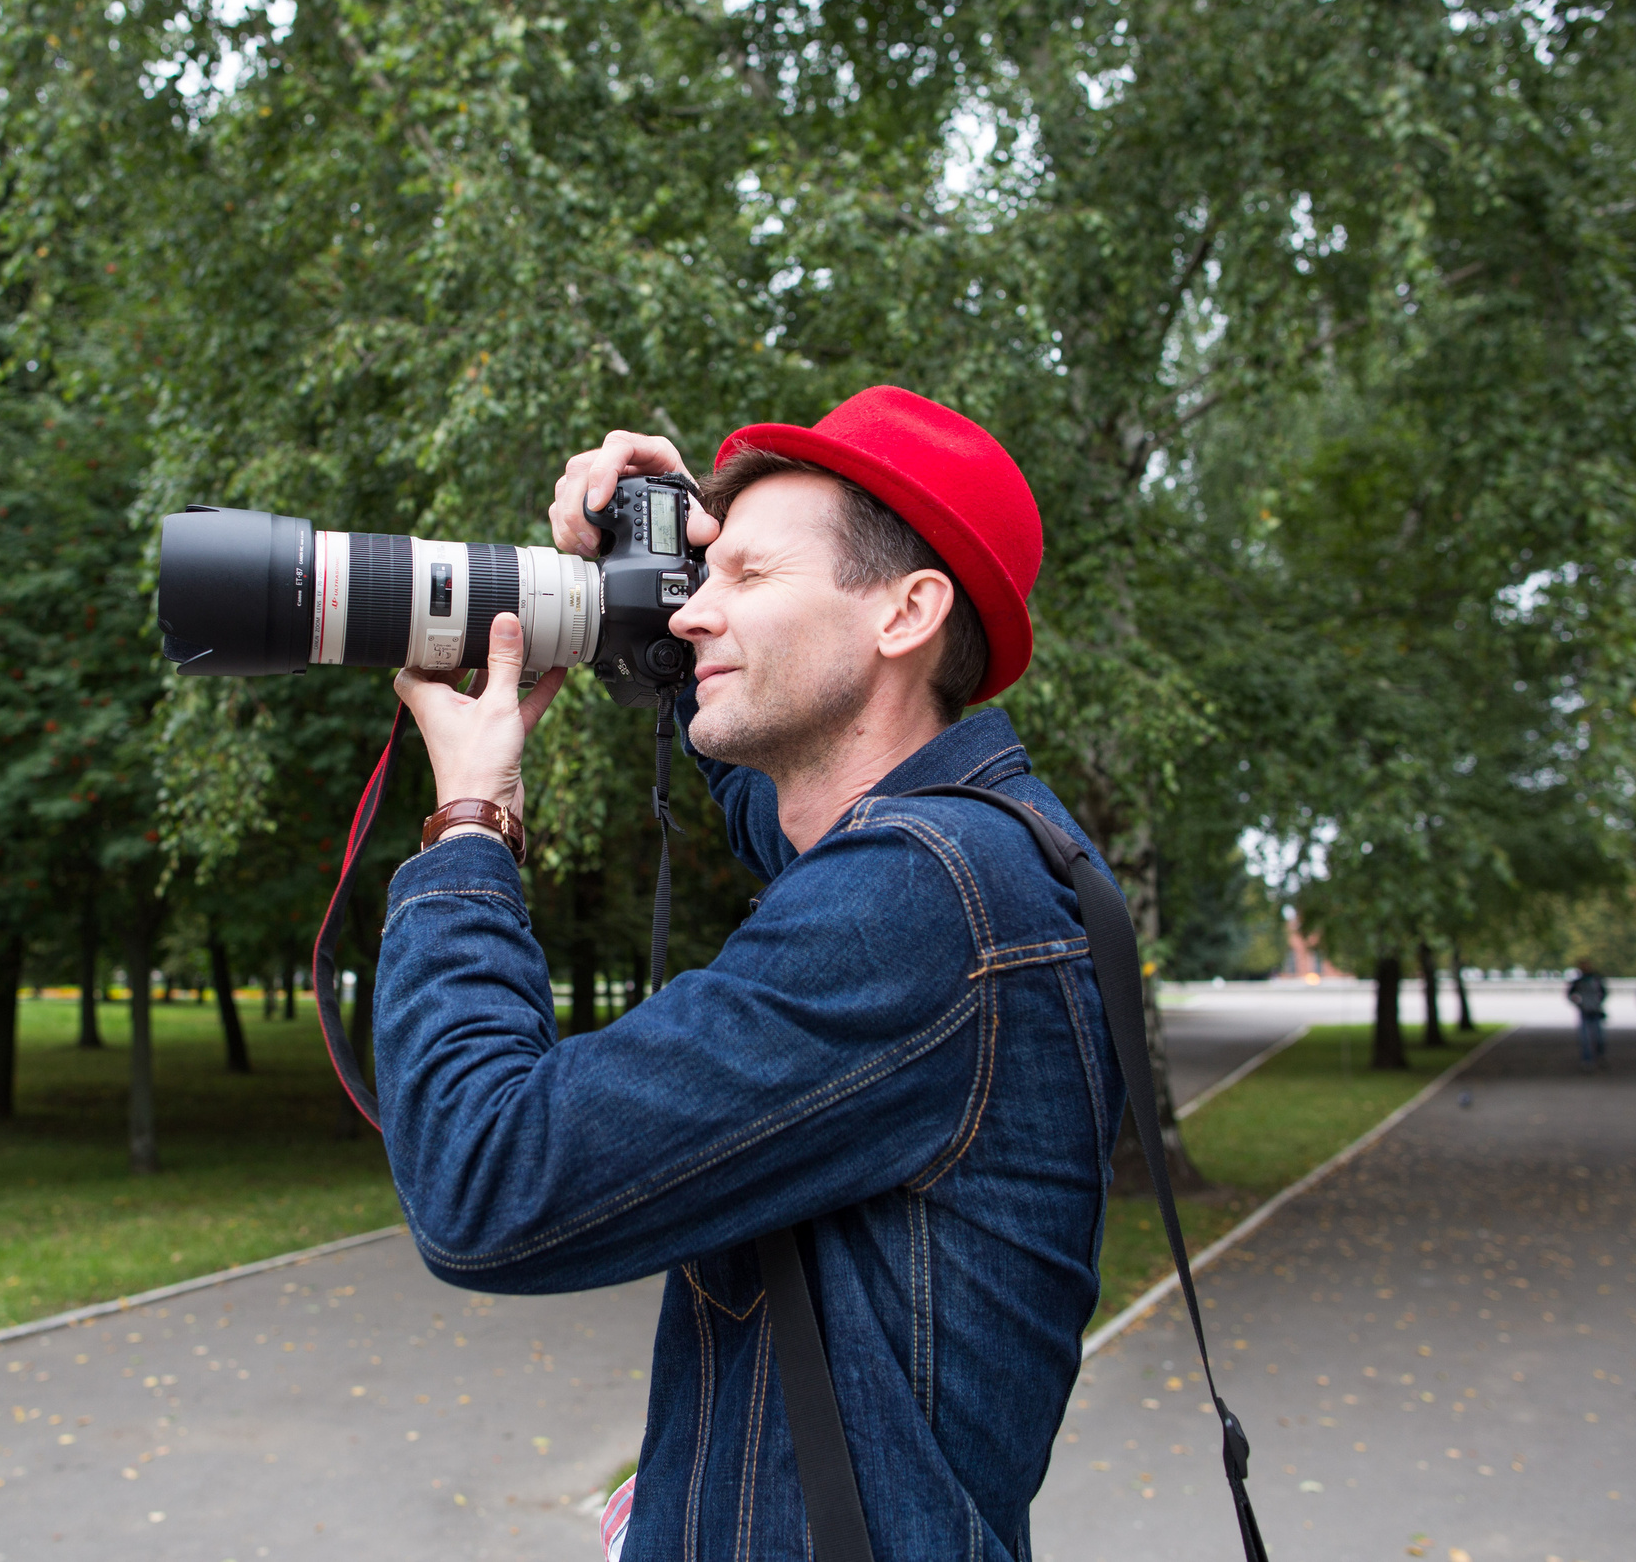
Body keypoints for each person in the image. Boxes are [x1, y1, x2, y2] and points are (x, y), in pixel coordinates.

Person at [372, 388, 1123, 1562]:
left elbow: (487, 1181)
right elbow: (772, 791)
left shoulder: (921, 901)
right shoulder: (984, 849)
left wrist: (472, 825)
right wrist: (660, 538)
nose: (687, 620)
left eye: (747, 580)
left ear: (906, 612)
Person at [1566, 958, 1610, 1069]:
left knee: (1599, 1037)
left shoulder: (1596, 978)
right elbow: (1570, 994)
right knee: (1584, 1038)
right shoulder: (1578, 981)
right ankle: (1587, 1059)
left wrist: (1598, 1002)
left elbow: (1604, 992)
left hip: (1596, 1010)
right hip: (1584, 1011)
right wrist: (1579, 1004)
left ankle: (1600, 1056)